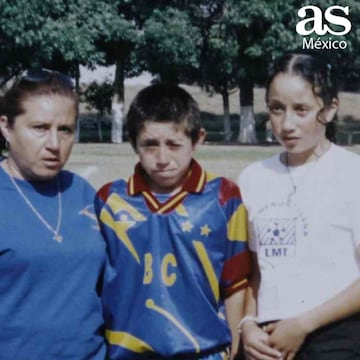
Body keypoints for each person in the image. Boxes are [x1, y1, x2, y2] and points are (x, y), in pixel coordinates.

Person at [95, 83, 251, 359]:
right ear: (134, 143)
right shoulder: (109, 201)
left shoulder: (224, 197)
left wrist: (236, 352)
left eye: (174, 144)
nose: (163, 158)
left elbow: (236, 283)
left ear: (198, 139)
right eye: (150, 145)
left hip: (205, 352)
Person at [238, 52, 360, 360]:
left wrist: (304, 324)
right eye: (277, 109)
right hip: (266, 341)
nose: (287, 124)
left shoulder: (352, 174)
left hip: (335, 336)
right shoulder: (253, 178)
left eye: (301, 110)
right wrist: (248, 324)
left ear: (330, 109)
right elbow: (257, 273)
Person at [0, 69, 107, 359]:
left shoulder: (83, 192)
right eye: (39, 128)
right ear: (6, 127)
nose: (54, 145)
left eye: (65, 130)